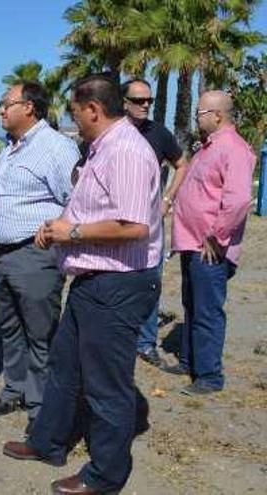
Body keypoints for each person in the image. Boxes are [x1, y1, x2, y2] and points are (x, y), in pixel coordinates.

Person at [3, 74, 162, 494]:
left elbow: (133, 227)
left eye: (76, 114)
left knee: (106, 384)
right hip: (92, 279)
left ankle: (106, 475)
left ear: (93, 109)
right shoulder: (102, 149)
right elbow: (93, 208)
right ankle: (48, 441)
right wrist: (59, 228)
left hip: (118, 283)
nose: (73, 123)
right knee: (64, 366)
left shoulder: (126, 151)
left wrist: (70, 234)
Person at [0, 82, 79, 430]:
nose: (1, 111)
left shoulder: (56, 147)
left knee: (40, 333)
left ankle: (41, 406)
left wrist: (56, 227)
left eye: (7, 104)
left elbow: (77, 198)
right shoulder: (10, 149)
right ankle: (14, 390)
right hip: (3, 254)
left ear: (30, 108)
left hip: (34, 254)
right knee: (11, 329)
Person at [165, 90, 255, 395]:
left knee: (207, 311)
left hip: (211, 247)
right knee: (192, 305)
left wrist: (218, 236)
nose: (196, 116)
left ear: (217, 115)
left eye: (201, 112)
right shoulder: (207, 147)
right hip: (191, 242)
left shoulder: (234, 148)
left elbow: (239, 199)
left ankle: (209, 376)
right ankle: (189, 361)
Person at [121, 78, 190, 368]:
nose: (146, 105)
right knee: (118, 284)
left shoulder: (158, 134)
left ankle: (146, 343)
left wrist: (167, 200)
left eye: (148, 100)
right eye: (139, 100)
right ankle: (120, 338)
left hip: (150, 225)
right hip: (115, 226)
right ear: (123, 102)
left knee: (150, 283)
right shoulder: (112, 133)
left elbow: (182, 164)